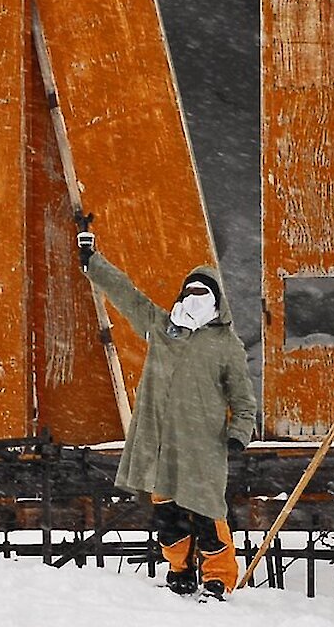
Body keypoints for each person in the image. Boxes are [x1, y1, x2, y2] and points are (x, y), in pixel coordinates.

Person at [77, 231, 259, 601]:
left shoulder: (226, 344)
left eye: (201, 293)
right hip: (160, 442)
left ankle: (218, 578)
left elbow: (243, 397)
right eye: (188, 292)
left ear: (215, 301)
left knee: (208, 512)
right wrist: (92, 261)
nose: (192, 299)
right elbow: (126, 295)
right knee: (168, 518)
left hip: (203, 444)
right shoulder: (162, 328)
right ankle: (179, 570)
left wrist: (240, 432)